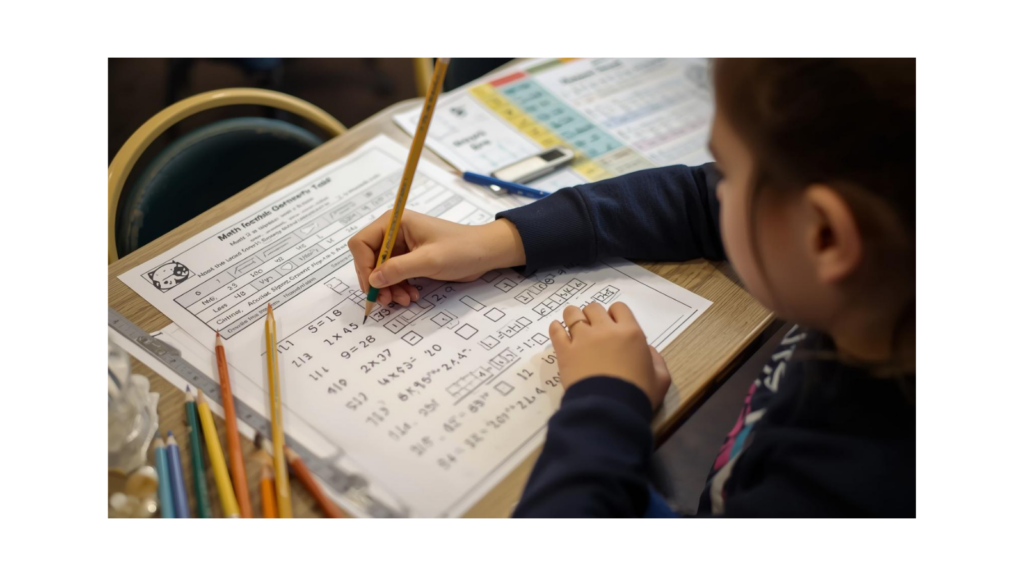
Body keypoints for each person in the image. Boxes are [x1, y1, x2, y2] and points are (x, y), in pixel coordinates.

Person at [348, 58, 915, 517]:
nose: (715, 190)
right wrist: (499, 241)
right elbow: (691, 198)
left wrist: (606, 402)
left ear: (824, 237)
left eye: (732, 176)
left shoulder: (847, 491)